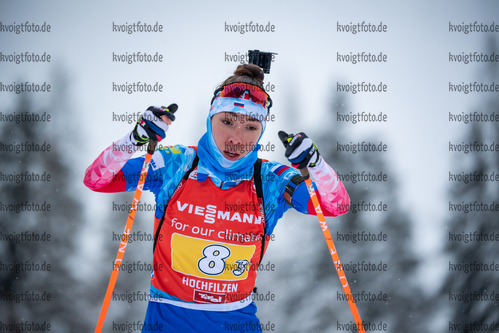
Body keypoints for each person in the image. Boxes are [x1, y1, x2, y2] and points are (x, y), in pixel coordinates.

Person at [84, 64, 350, 332]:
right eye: (227, 121)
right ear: (210, 118)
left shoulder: (271, 180)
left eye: (250, 127)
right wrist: (133, 139)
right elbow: (96, 179)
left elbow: (336, 205)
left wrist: (316, 165)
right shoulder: (175, 164)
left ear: (262, 131)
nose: (236, 138)